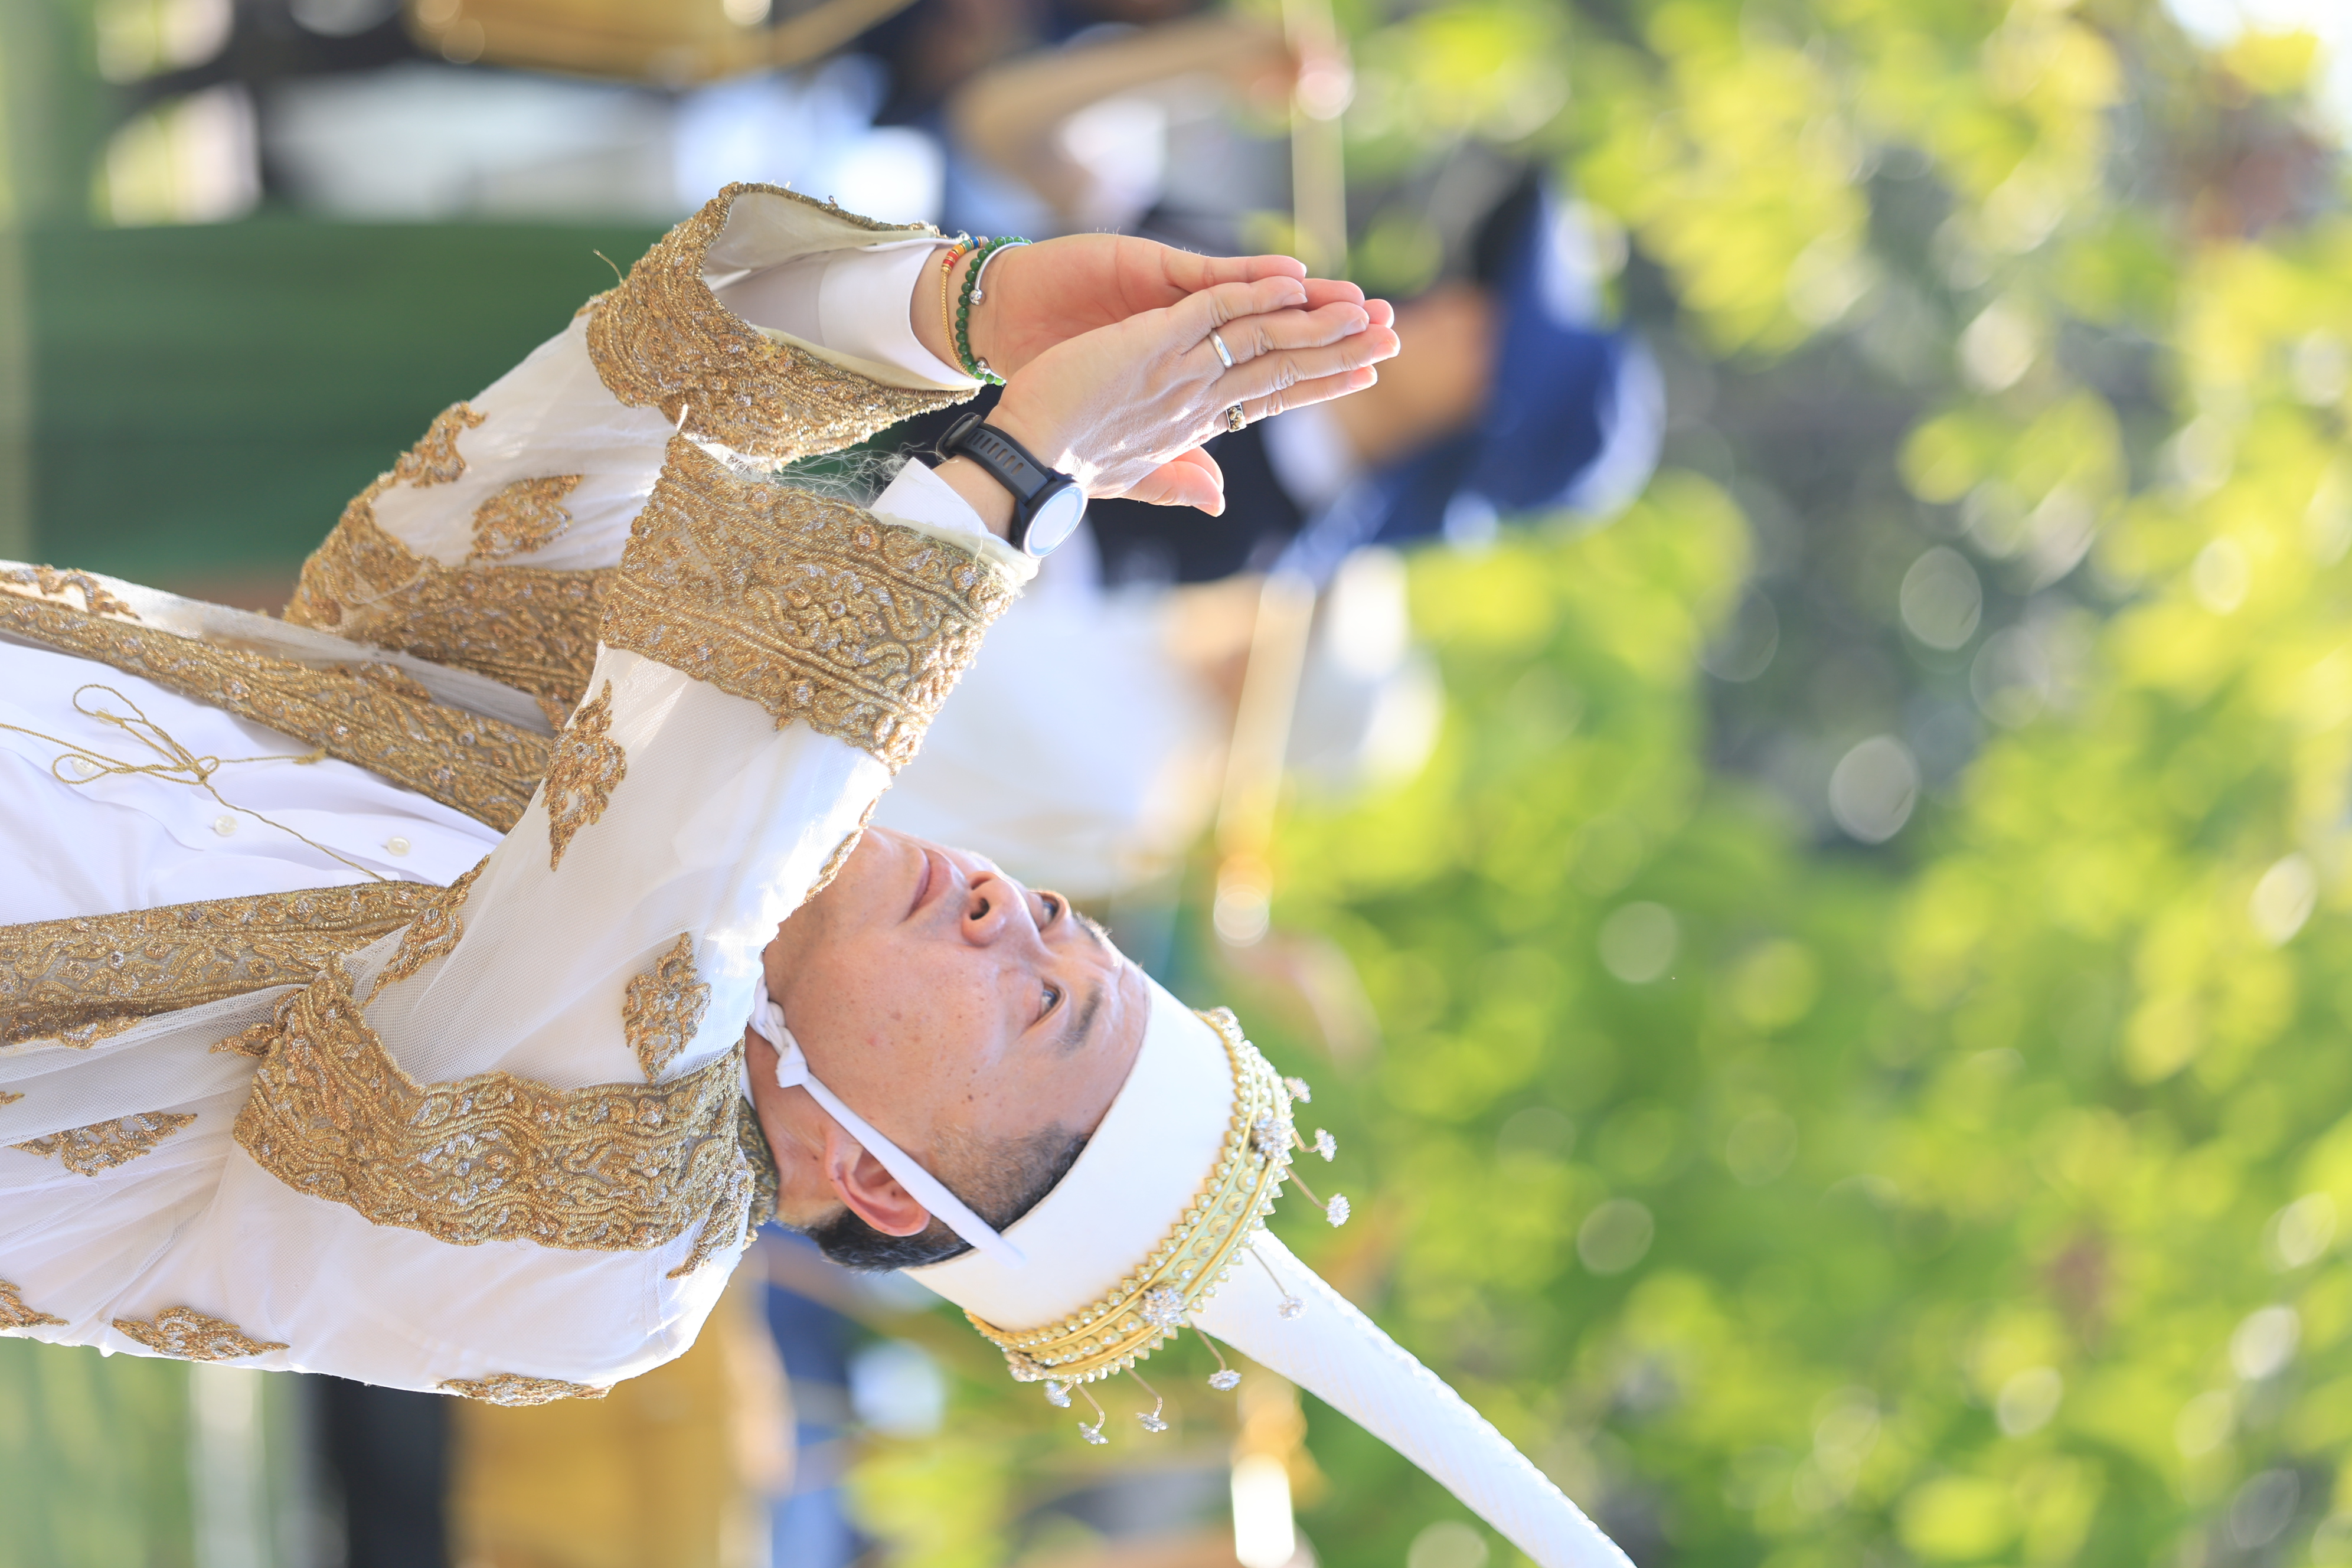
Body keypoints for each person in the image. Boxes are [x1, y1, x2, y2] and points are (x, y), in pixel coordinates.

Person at [0, 182, 1618, 1566]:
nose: (1013, 909)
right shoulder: (578, 759)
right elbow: (536, 470)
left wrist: (1017, 481)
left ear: (891, 1189)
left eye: (1040, 1005)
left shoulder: (622, 1278)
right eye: (1061, 927)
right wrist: (955, 312)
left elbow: (637, 920)